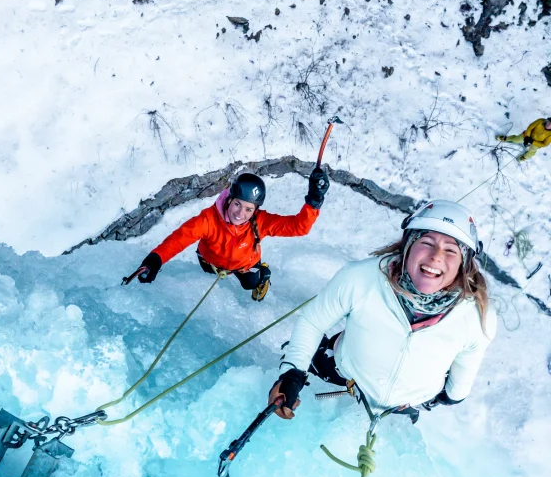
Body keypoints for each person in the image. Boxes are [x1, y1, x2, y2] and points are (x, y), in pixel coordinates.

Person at [268, 199, 497, 419]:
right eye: (426, 243)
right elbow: (313, 322)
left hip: (403, 404)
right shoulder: (361, 278)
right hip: (347, 377)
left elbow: (461, 380)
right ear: (408, 246)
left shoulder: (477, 317)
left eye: (451, 250)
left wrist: (449, 394)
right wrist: (292, 374)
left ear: (463, 263)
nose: (436, 256)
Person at [130, 169, 329, 301]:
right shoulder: (208, 220)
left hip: (245, 265)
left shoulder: (261, 222)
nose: (240, 214)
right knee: (208, 273)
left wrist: (314, 201)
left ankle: (263, 274)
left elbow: (299, 227)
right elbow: (179, 239)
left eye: (248, 209)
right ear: (229, 199)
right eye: (237, 204)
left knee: (250, 283)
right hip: (211, 262)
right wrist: (155, 260)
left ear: (256, 210)